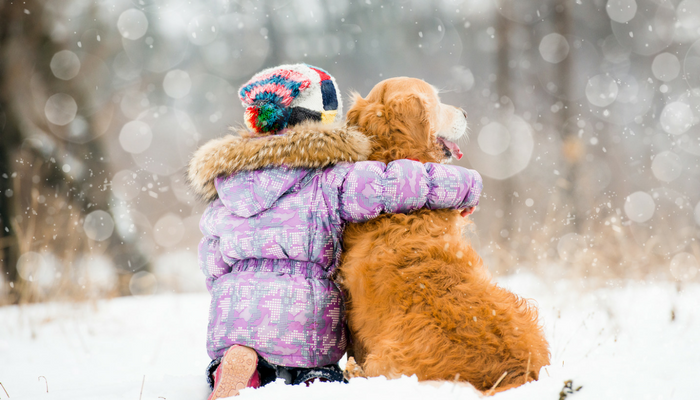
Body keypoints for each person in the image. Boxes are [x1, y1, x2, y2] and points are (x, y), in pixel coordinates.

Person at [187, 64, 483, 399]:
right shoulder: (331, 177)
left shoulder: (227, 187)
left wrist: (232, 290)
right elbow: (395, 185)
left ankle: (241, 364)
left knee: (238, 351)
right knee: (320, 371)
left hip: (235, 314)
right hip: (307, 317)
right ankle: (317, 382)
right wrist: (466, 186)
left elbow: (211, 261)